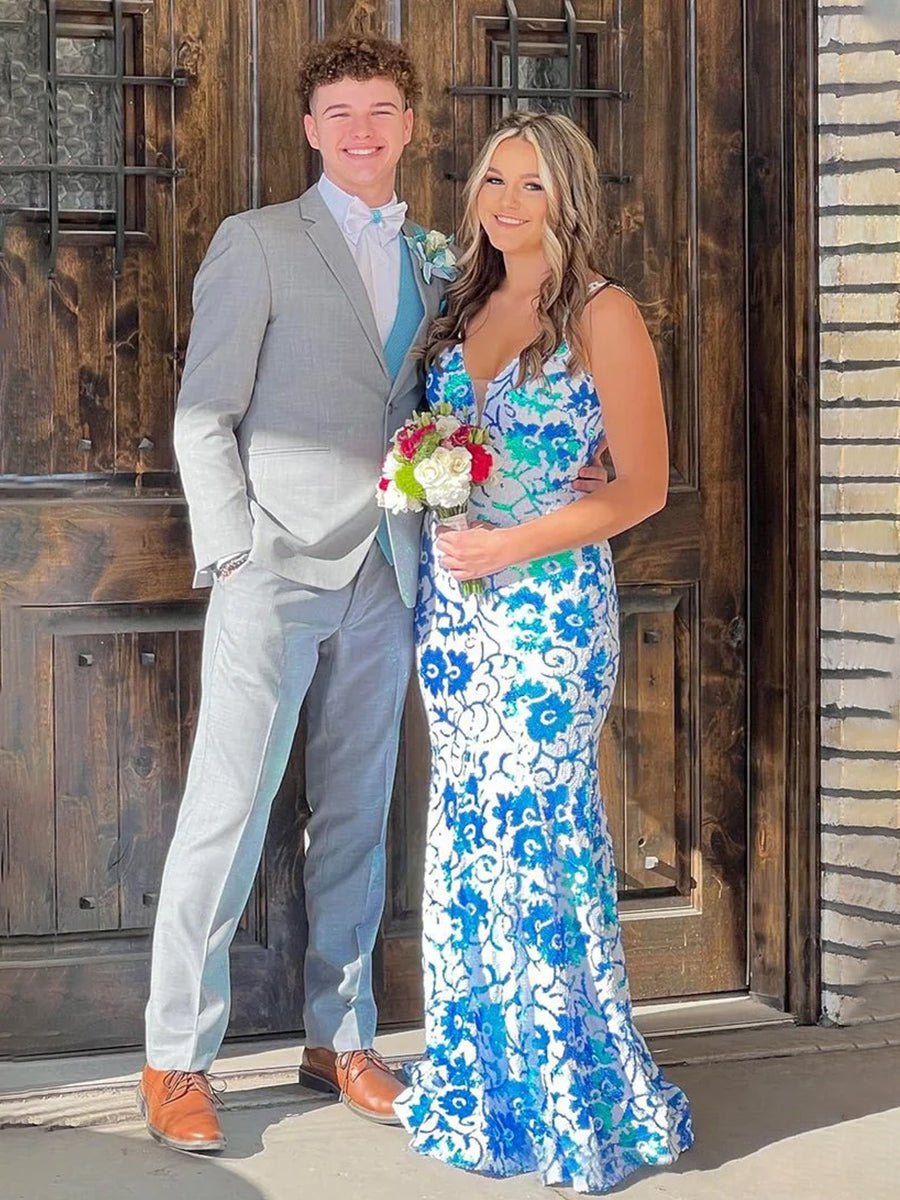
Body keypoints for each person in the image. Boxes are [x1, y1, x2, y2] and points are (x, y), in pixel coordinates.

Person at [139, 35, 442, 1151]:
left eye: (381, 110)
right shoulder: (258, 241)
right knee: (228, 810)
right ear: (311, 129)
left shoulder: (436, 259)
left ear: (409, 126)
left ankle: (341, 1037)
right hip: (273, 569)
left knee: (359, 814)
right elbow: (203, 413)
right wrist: (234, 554)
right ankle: (176, 1058)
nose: (362, 130)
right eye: (340, 112)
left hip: (389, 571)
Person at [393, 112, 694, 1193]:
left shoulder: (603, 313)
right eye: (494, 182)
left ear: (569, 198)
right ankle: (484, 1085)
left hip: (548, 611)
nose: (508, 203)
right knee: (468, 832)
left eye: (531, 185)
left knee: (537, 830)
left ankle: (574, 1096)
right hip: (454, 615)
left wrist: (511, 543)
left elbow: (642, 486)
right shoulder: (460, 304)